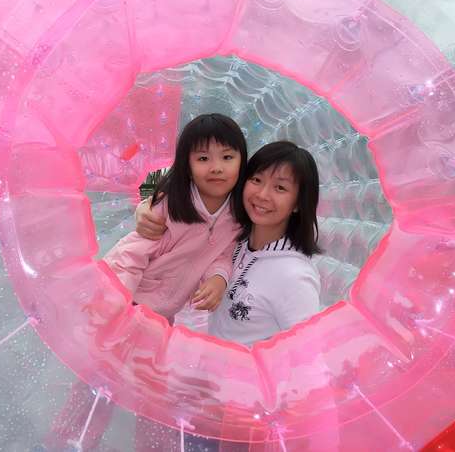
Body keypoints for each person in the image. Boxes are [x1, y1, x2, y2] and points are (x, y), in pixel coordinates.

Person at [136, 141, 321, 346]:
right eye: (257, 179)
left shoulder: (295, 278)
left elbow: (307, 355)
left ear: (298, 203)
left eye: (280, 188)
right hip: (203, 359)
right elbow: (193, 201)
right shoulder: (229, 238)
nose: (262, 195)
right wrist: (147, 208)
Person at [103, 112, 248, 324]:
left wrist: (219, 278)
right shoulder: (172, 206)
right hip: (130, 301)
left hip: (164, 314)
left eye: (227, 157)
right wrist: (117, 301)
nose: (216, 168)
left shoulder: (238, 214)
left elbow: (223, 254)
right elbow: (131, 253)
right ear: (187, 166)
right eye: (203, 158)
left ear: (242, 161)